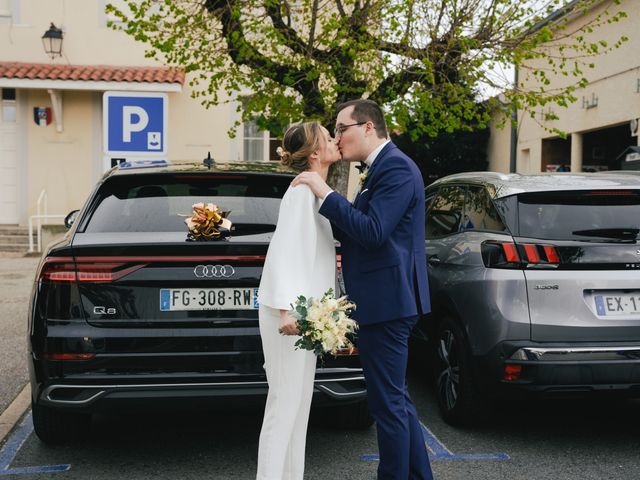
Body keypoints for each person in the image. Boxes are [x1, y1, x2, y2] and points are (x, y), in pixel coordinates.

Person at [292, 99, 433, 479]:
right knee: (397, 402)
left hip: (388, 302)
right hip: (383, 300)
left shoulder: (397, 169)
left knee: (387, 407)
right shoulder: (380, 169)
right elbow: (359, 229)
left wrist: (324, 192)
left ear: (368, 127)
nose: (337, 136)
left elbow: (372, 232)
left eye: (341, 128)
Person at [256, 121, 341, 480]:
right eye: (327, 136)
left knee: (299, 406)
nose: (335, 139)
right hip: (288, 316)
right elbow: (284, 253)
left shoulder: (315, 191)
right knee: (284, 406)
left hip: (305, 316)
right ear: (316, 153)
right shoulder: (299, 194)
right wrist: (287, 310)